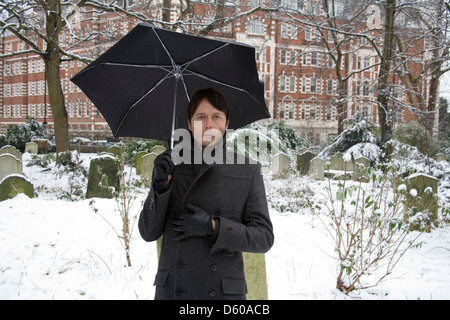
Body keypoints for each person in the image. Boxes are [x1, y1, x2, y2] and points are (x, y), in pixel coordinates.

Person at [138, 88, 274, 300]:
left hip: (222, 293)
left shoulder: (247, 170)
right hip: (174, 290)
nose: (209, 124)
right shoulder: (171, 167)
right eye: (201, 117)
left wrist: (213, 227)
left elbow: (263, 238)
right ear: (190, 125)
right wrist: (160, 187)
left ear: (227, 123)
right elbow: (148, 233)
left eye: (216, 116)